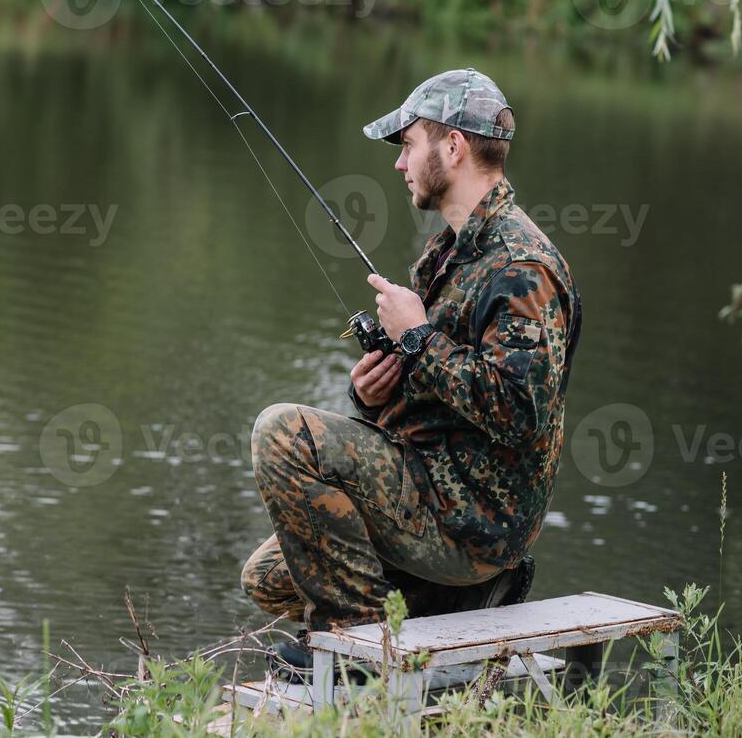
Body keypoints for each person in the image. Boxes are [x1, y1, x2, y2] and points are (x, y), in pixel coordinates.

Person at [240, 68, 581, 672]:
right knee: (269, 576)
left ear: (451, 147)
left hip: (474, 520)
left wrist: (418, 338)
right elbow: (433, 385)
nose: (400, 164)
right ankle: (452, 602)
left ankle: (358, 652)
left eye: (408, 145)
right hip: (429, 489)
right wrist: (370, 392)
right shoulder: (448, 251)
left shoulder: (522, 267)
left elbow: (519, 415)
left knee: (281, 432)